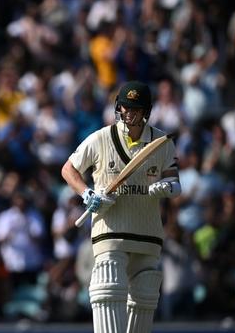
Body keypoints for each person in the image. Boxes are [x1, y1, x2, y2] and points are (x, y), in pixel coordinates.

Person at [61, 81, 181, 333]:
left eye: (135, 109)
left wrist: (167, 187)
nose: (128, 113)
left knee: (144, 296)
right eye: (125, 108)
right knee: (108, 287)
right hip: (110, 229)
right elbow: (68, 169)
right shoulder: (101, 138)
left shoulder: (161, 142)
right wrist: (87, 193)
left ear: (146, 110)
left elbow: (174, 180)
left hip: (147, 233)